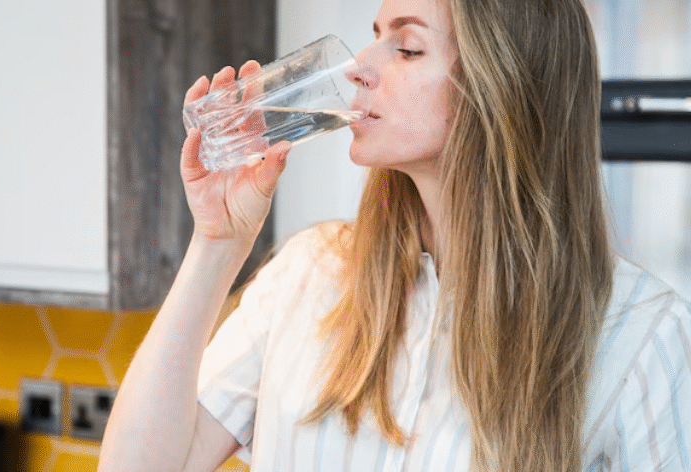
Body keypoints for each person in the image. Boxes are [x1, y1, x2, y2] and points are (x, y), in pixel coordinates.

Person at [98, 0, 691, 470]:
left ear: (503, 87)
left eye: (406, 48)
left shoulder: (639, 336)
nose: (360, 64)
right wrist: (217, 242)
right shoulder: (306, 275)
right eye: (377, 34)